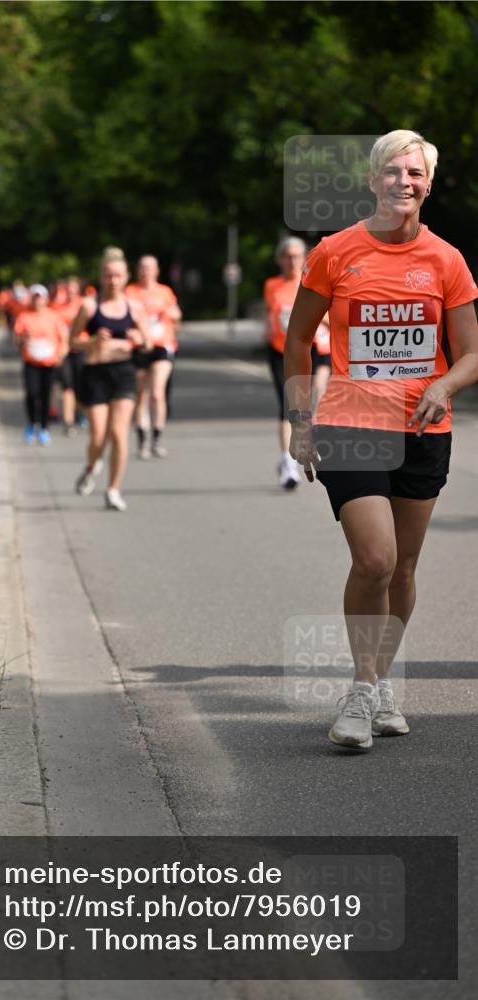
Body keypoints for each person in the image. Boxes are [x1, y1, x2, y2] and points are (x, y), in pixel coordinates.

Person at [284, 129, 478, 750]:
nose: (404, 182)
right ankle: (361, 690)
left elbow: (471, 355)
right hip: (352, 424)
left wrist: (444, 383)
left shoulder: (446, 260)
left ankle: (383, 680)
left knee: (405, 567)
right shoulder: (335, 253)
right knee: (376, 559)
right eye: (393, 171)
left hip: (423, 430)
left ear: (428, 184)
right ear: (372, 181)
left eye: (415, 173)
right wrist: (300, 420)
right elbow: (297, 340)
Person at [69, 248, 151, 511]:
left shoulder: (134, 308)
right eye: (108, 276)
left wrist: (139, 339)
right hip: (96, 373)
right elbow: (72, 341)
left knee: (118, 433)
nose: (113, 281)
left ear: (126, 277)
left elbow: (148, 343)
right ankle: (91, 467)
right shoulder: (89, 306)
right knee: (97, 436)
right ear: (101, 277)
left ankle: (113, 489)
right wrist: (91, 341)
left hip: (124, 373)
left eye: (117, 276)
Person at [264, 237, 331, 489]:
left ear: (304, 257)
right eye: (287, 256)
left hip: (317, 347)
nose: (292, 261)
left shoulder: (312, 282)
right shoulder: (272, 285)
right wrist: (269, 331)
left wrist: (313, 319)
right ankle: (288, 464)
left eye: (297, 255)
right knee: (287, 404)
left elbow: (331, 316)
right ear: (280, 259)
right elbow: (271, 313)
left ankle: (313, 440)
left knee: (316, 394)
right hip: (281, 351)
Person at [126, 256, 182, 458]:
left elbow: (177, 315)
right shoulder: (130, 292)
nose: (145, 271)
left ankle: (156, 439)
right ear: (137, 270)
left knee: (157, 393)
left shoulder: (164, 292)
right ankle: (142, 440)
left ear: (156, 270)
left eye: (149, 267)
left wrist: (172, 315)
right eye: (142, 267)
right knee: (141, 394)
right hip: (139, 346)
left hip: (162, 345)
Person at [13, 284, 68, 445]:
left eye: (40, 297)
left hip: (49, 363)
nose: (38, 301)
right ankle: (32, 424)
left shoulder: (54, 316)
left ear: (45, 299)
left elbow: (63, 339)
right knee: (32, 393)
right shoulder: (24, 316)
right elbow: (16, 339)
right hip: (31, 362)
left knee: (45, 395)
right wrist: (22, 340)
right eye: (35, 297)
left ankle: (44, 428)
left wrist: (61, 355)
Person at [53, 276, 87, 435]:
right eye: (68, 289)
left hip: (81, 349)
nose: (71, 292)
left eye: (74, 288)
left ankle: (80, 411)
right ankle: (68, 421)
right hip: (64, 352)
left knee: (81, 386)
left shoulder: (84, 305)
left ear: (79, 289)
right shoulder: (57, 308)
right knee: (67, 386)